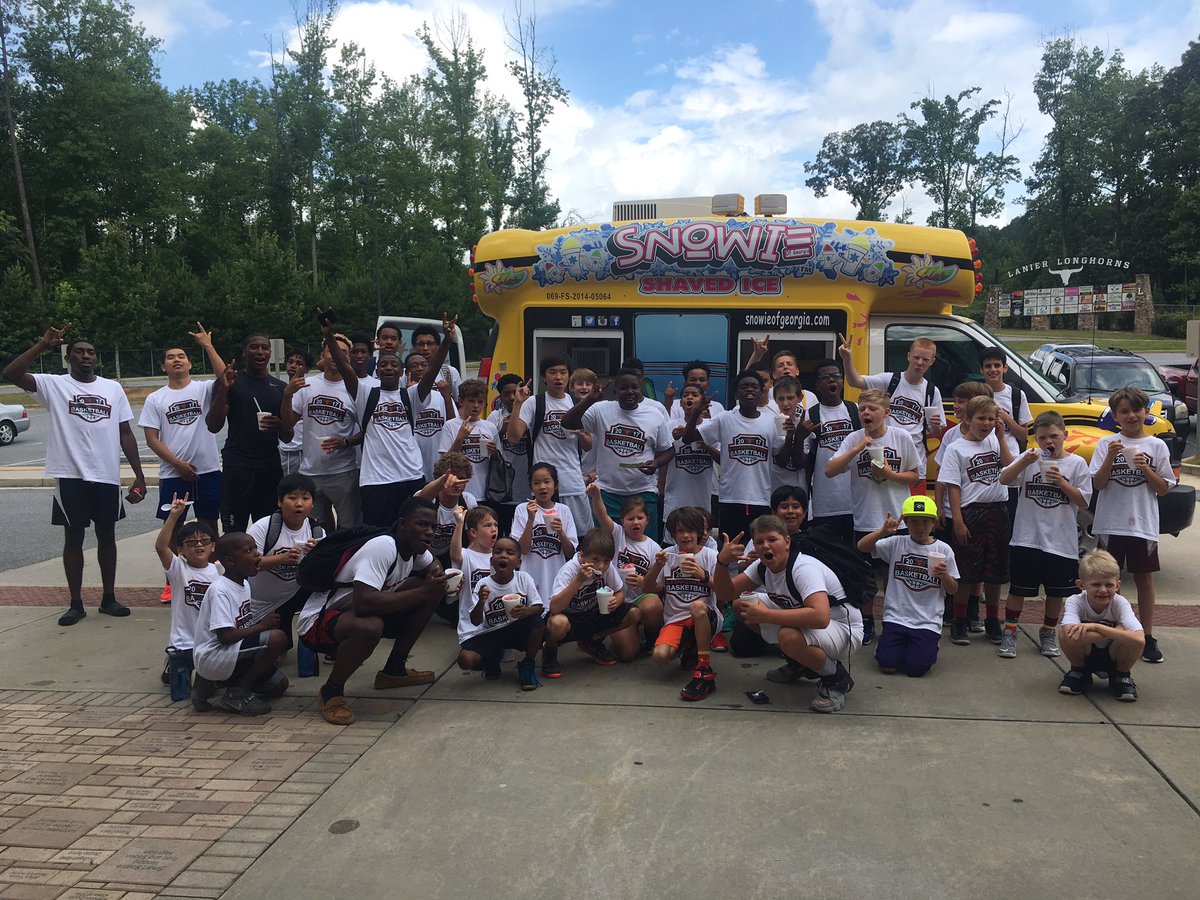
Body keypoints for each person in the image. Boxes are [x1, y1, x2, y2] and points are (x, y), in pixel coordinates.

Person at [3, 325, 147, 626]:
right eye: (79, 352)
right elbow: (12, 374)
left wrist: (139, 475)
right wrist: (42, 343)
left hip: (106, 474)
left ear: (96, 359)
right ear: (68, 358)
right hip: (70, 475)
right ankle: (76, 603)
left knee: (108, 536)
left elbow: (125, 433)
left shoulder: (112, 388)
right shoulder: (54, 385)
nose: (85, 356)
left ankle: (109, 598)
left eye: (90, 352)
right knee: (74, 538)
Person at [296, 497, 450, 725]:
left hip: (354, 614)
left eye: (433, 527)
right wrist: (424, 592)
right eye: (422, 525)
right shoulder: (384, 547)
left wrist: (439, 577)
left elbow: (433, 565)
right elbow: (364, 602)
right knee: (371, 626)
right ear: (402, 523)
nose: (429, 532)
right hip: (317, 624)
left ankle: (394, 670)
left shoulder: (413, 547)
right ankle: (331, 692)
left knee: (430, 589)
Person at [715, 516, 862, 712]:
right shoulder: (762, 567)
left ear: (787, 541)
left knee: (788, 635)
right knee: (741, 605)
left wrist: (766, 616)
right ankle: (800, 664)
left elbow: (820, 616)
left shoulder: (803, 568)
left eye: (772, 540)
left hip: (844, 629)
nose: (766, 546)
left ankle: (835, 678)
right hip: (816, 623)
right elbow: (727, 593)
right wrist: (722, 563)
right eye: (760, 542)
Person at [824, 388, 920, 644]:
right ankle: (866, 622)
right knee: (865, 574)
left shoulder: (901, 437)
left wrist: (890, 475)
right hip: (865, 517)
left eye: (872, 409)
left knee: (894, 573)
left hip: (897, 517)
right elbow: (830, 471)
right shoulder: (853, 438)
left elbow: (914, 475)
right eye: (862, 408)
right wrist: (856, 448)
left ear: (886, 413)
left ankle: (892, 620)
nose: (866, 412)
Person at [139, 326, 226, 602]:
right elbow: (152, 439)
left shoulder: (202, 390)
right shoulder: (156, 399)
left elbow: (225, 378)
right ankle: (173, 581)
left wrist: (208, 345)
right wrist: (177, 464)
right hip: (173, 474)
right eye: (170, 357)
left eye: (182, 356)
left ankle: (211, 578)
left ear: (189, 363)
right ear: (163, 367)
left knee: (209, 526)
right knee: (174, 529)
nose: (177, 359)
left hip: (208, 470)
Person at [1089, 387, 1175, 664]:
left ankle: (1146, 635)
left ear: (1146, 412)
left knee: (1144, 579)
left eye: (1136, 410)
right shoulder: (1106, 444)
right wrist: (1112, 458)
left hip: (1142, 524)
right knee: (1108, 583)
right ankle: (1112, 631)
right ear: (1115, 416)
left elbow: (1163, 489)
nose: (1131, 416)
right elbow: (1097, 485)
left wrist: (1147, 469)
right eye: (1124, 411)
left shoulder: (1157, 446)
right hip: (1110, 522)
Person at [997, 411, 1092, 659]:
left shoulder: (1077, 464)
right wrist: (1023, 462)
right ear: (1036, 439)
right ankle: (1010, 631)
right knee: (1018, 589)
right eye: (1042, 438)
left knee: (1056, 592)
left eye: (1054, 436)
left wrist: (1062, 482)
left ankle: (1048, 631)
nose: (1049, 442)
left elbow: (1083, 501)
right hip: (1027, 537)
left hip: (1061, 541)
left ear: (1064, 435)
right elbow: (1004, 479)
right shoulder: (1030, 458)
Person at [938, 395, 1013, 646]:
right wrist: (957, 520)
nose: (987, 423)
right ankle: (960, 620)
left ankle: (992, 619)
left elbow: (1008, 465)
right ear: (968, 419)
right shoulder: (956, 448)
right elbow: (953, 486)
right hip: (971, 511)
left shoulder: (995, 440)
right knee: (967, 571)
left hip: (998, 508)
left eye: (992, 418)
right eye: (981, 418)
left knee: (995, 570)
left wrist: (1001, 437)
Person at [563, 368, 673, 541]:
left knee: (644, 547)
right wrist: (589, 400)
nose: (629, 392)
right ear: (615, 391)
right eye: (623, 388)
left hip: (643, 492)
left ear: (641, 388)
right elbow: (568, 422)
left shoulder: (655, 415)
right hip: (608, 493)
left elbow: (668, 450)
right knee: (605, 546)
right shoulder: (600, 410)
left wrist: (657, 463)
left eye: (634, 387)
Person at [857, 497, 958, 677]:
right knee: (887, 666)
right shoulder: (897, 543)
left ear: (933, 523)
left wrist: (945, 576)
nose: (920, 527)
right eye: (914, 521)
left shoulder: (944, 550)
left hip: (928, 621)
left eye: (926, 521)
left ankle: (924, 647)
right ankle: (897, 648)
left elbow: (953, 590)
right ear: (906, 522)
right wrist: (882, 532)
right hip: (896, 616)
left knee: (916, 669)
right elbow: (862, 546)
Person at [191, 533, 289, 716]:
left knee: (278, 685)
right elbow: (225, 637)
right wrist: (262, 626)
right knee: (278, 639)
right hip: (213, 655)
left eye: (255, 549)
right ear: (230, 561)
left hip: (231, 652)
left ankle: (214, 682)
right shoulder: (221, 590)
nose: (257, 555)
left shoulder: (244, 584)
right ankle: (236, 692)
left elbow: (241, 628)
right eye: (249, 551)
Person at [683, 370, 785, 541]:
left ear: (762, 392)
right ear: (736, 393)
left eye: (754, 386)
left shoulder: (772, 421)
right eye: (744, 386)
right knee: (729, 551)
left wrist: (790, 435)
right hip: (730, 499)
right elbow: (687, 438)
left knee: (757, 552)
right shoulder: (724, 419)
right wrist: (696, 413)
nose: (750, 390)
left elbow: (780, 457)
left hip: (760, 499)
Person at [280, 322, 361, 530]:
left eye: (343, 352)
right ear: (323, 356)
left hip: (343, 472)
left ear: (349, 357)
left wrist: (345, 442)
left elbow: (367, 431)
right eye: (332, 351)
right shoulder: (308, 386)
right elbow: (287, 425)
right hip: (310, 471)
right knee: (316, 528)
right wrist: (288, 395)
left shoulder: (355, 390)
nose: (337, 356)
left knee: (348, 527)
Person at [207, 333, 288, 533]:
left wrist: (279, 425)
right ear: (244, 352)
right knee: (234, 533)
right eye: (254, 347)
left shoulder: (280, 388)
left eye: (265, 348)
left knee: (268, 532)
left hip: (269, 467)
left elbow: (288, 436)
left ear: (270, 353)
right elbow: (213, 425)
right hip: (238, 466)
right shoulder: (230, 381)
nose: (260, 352)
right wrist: (224, 390)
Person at [641, 507, 722, 702]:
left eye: (690, 530)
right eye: (679, 531)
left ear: (699, 533)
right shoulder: (667, 555)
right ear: (673, 534)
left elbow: (724, 590)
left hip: (704, 616)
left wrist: (702, 575)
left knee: (697, 607)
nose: (685, 536)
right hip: (675, 620)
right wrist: (657, 566)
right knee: (660, 656)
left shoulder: (710, 555)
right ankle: (689, 648)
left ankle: (703, 667)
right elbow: (648, 588)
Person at [841, 335, 942, 487]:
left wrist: (935, 426)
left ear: (932, 362)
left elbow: (935, 432)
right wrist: (846, 358)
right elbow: (855, 381)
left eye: (925, 360)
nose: (919, 363)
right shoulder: (890, 380)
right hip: (886, 460)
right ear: (909, 356)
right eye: (916, 357)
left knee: (911, 511)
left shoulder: (932, 392)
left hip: (914, 466)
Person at [352, 347, 436, 528]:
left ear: (402, 372)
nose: (388, 367)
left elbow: (432, 372)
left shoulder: (411, 396)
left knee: (414, 529)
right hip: (376, 480)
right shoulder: (366, 394)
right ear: (377, 371)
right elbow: (345, 369)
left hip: (410, 476)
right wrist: (328, 335)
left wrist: (446, 339)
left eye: (394, 364)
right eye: (383, 364)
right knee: (377, 533)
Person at [932, 380, 992, 630]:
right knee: (959, 560)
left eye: (961, 402)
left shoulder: (990, 434)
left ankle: (973, 608)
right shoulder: (952, 435)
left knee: (978, 563)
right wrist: (938, 506)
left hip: (981, 508)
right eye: (955, 401)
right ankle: (953, 608)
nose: (956, 406)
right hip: (953, 508)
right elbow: (942, 475)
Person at [543, 527, 642, 677]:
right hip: (570, 617)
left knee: (634, 612)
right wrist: (578, 581)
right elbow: (554, 608)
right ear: (583, 556)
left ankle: (592, 641)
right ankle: (549, 652)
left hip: (593, 613)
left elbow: (620, 591)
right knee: (557, 623)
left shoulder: (606, 569)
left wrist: (617, 600)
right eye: (595, 559)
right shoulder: (569, 570)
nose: (601, 566)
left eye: (606, 561)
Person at [508, 355, 591, 531]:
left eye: (563, 372)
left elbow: (588, 445)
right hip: (542, 484)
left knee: (579, 535)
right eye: (552, 372)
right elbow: (513, 437)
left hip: (572, 481)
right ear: (544, 377)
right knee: (545, 536)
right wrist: (517, 404)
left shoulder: (577, 404)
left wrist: (580, 435)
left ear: (569, 376)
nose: (558, 377)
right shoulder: (534, 403)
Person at [457, 537, 544, 691]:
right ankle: (491, 659)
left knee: (538, 623)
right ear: (491, 561)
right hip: (490, 633)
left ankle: (528, 664)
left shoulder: (524, 578)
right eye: (498, 552)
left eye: (510, 553)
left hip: (516, 630)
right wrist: (481, 602)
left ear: (518, 563)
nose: (503, 555)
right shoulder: (483, 584)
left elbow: (539, 607)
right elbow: (475, 621)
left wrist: (526, 611)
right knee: (465, 660)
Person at [586, 481, 665, 650]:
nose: (635, 522)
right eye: (630, 518)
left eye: (639, 518)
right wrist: (596, 496)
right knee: (627, 654)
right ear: (622, 521)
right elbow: (602, 516)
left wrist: (643, 582)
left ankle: (651, 635)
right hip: (618, 600)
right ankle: (630, 629)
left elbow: (658, 586)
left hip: (640, 598)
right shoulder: (617, 534)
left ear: (647, 520)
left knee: (653, 605)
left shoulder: (654, 548)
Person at [1057, 550, 1144, 702]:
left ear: (1117, 586)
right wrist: (1117, 630)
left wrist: (1097, 627)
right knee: (1064, 635)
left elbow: (1139, 639)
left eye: (1109, 585)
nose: (1103, 590)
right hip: (1086, 652)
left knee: (1131, 641)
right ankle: (1079, 672)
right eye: (1096, 584)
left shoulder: (1120, 603)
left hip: (1115, 655)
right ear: (1081, 585)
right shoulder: (1075, 601)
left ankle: (1121, 676)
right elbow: (1070, 637)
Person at [154, 494, 219, 689]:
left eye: (204, 541)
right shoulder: (178, 569)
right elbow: (160, 546)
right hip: (184, 643)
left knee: (211, 685)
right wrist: (173, 516)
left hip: (211, 643)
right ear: (180, 550)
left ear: (213, 546)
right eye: (191, 542)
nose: (199, 545)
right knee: (182, 687)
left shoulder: (220, 570)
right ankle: (172, 664)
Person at [246, 474, 320, 642]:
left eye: (305, 498)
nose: (299, 504)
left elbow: (324, 571)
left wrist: (315, 556)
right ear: (280, 502)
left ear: (312, 503)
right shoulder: (264, 527)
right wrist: (281, 559)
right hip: (257, 600)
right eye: (292, 498)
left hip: (290, 597)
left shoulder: (317, 532)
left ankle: (315, 638)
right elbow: (248, 565)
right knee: (267, 652)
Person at [801, 358, 857, 543]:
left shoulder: (855, 410)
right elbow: (805, 459)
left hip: (855, 500)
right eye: (826, 377)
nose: (832, 380)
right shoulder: (811, 414)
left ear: (842, 381)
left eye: (836, 376)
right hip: (824, 501)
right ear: (817, 385)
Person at [512, 462, 578, 609]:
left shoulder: (564, 510)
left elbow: (571, 552)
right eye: (537, 483)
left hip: (556, 577)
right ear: (531, 487)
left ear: (555, 485)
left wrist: (561, 532)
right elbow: (521, 550)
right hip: (530, 575)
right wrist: (530, 519)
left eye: (547, 482)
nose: (542, 487)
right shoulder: (522, 509)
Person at [662, 383, 719, 528]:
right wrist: (673, 440)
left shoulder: (711, 426)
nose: (690, 397)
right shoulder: (670, 426)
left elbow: (721, 459)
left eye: (695, 395)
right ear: (680, 403)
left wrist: (705, 443)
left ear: (704, 401)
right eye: (685, 395)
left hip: (703, 499)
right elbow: (662, 458)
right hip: (676, 499)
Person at [437, 379, 501, 500]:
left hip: (486, 492)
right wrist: (460, 438)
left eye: (480, 402)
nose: (476, 406)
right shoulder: (450, 426)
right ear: (461, 401)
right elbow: (444, 464)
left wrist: (495, 453)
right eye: (471, 401)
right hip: (459, 492)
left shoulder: (490, 427)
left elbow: (499, 462)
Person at [489, 373, 531, 535]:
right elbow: (486, 449)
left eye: (515, 392)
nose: (512, 397)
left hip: (526, 485)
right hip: (502, 487)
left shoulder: (530, 413)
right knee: (502, 531)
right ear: (500, 396)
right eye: (506, 394)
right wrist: (502, 432)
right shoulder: (495, 417)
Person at [278, 348, 313, 476]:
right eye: (290, 362)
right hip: (285, 449)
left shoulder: (309, 390)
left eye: (299, 363)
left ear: (307, 369)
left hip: (303, 450)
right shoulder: (280, 389)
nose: (293, 366)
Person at [408, 323, 462, 399]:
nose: (425, 348)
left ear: (438, 347)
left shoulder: (450, 372)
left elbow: (460, 402)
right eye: (421, 344)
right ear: (414, 347)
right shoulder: (406, 374)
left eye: (430, 344)